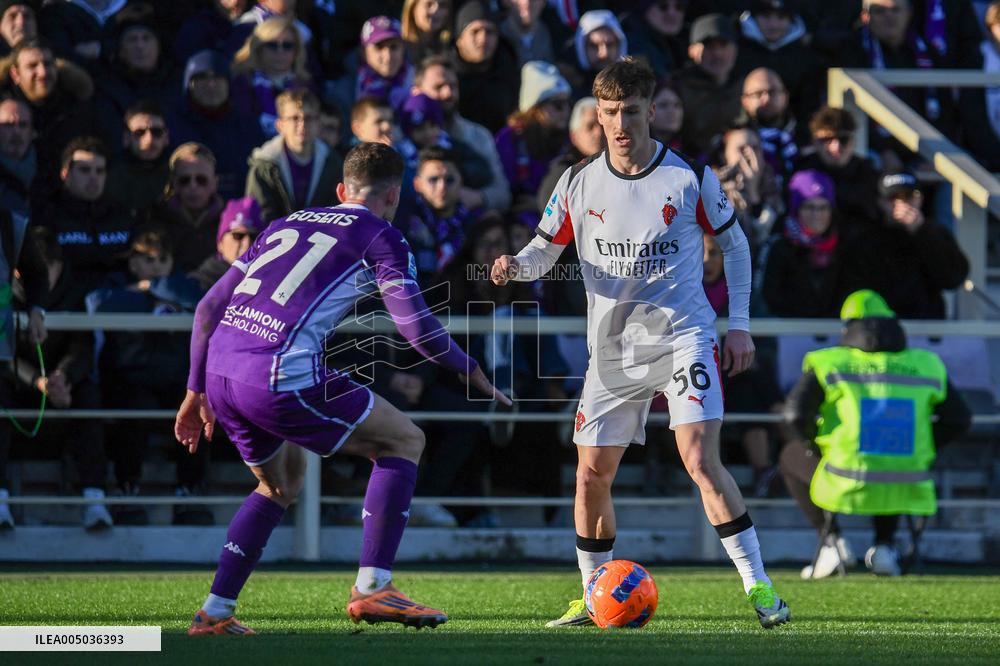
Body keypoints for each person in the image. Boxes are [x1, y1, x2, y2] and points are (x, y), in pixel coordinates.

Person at [490, 57, 790, 629]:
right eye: (609, 113)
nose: (621, 123)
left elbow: (737, 247)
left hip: (683, 336)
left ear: (652, 111)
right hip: (614, 351)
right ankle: (592, 594)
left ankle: (760, 588)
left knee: (700, 459)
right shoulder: (577, 181)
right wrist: (514, 266)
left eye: (631, 111)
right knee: (590, 474)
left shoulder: (688, 177)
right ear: (596, 116)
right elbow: (542, 250)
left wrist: (741, 324)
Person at [175, 141, 509, 634]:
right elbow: (414, 326)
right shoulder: (382, 235)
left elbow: (206, 309)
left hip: (222, 373)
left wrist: (193, 392)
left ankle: (215, 612)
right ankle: (374, 587)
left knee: (277, 485)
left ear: (340, 190)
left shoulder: (287, 222)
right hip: (277, 372)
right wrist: (470, 368)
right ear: (394, 196)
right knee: (404, 439)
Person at [781, 289, 971, 577]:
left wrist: (817, 445)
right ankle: (884, 547)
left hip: (843, 476)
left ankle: (833, 543)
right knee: (888, 451)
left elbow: (794, 414)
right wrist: (924, 444)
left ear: (847, 327)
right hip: (908, 479)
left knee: (789, 456)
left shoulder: (830, 362)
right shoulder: (926, 364)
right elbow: (959, 419)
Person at [839, 171, 969, 319]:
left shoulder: (935, 233)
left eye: (909, 196)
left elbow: (953, 278)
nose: (902, 204)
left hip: (926, 328)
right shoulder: (866, 239)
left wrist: (922, 231)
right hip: (882, 326)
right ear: (880, 201)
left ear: (920, 198)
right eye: (893, 198)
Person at [34, 136, 134, 292]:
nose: (93, 177)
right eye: (84, 170)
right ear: (65, 174)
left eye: (99, 171)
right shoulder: (46, 217)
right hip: (63, 308)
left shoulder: (122, 216)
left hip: (116, 306)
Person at [412, 55, 511, 211]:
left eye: (452, 86)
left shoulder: (478, 136)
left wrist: (480, 197)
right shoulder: (403, 138)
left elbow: (503, 193)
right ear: (417, 92)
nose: (447, 93)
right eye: (438, 87)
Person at [167, 49, 264, 200]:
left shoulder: (248, 126)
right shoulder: (170, 126)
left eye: (218, 78)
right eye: (202, 78)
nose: (211, 85)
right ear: (188, 85)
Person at [245, 88, 343, 223]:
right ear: (280, 125)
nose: (302, 125)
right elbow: (260, 217)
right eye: (294, 118)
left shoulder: (334, 164)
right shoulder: (263, 167)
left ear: (319, 123)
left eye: (309, 118)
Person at [762, 170, 846, 318]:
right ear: (796, 210)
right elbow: (769, 296)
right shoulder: (779, 247)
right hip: (788, 334)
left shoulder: (843, 247)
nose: (817, 214)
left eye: (823, 207)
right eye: (809, 207)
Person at [145, 142, 225, 273]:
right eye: (184, 180)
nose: (193, 186)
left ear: (214, 183)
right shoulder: (155, 219)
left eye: (201, 180)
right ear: (174, 184)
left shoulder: (231, 223)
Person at [495, 60, 571, 199]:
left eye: (568, 103)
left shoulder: (570, 138)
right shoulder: (509, 139)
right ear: (535, 109)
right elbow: (505, 187)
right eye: (558, 105)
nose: (565, 111)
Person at [230, 17, 315, 139]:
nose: (280, 51)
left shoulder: (306, 86)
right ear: (258, 48)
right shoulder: (242, 83)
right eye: (272, 45)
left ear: (296, 51)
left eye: (287, 45)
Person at [675, 14, 742, 157]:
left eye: (723, 45)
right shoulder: (677, 89)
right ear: (691, 51)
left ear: (735, 49)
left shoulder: (747, 87)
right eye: (709, 46)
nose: (717, 53)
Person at [451, 1, 519, 134]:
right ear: (460, 40)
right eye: (475, 31)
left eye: (490, 32)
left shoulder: (509, 73)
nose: (483, 39)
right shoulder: (447, 77)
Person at [104, 99, 171, 219]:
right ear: (126, 138)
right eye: (139, 133)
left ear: (166, 137)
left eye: (157, 132)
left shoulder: (179, 177)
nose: (149, 139)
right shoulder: (109, 179)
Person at [189, 196, 264, 291]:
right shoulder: (198, 285)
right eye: (238, 236)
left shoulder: (271, 280)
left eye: (254, 237)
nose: (247, 243)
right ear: (220, 243)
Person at [356, 16, 412, 111]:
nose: (388, 57)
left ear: (404, 49)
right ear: (364, 52)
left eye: (394, 47)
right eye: (379, 47)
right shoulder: (346, 89)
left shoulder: (419, 82)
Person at [0, 96, 35, 216]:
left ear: (31, 132)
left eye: (23, 125)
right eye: (8, 125)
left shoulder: (47, 174)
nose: (16, 132)